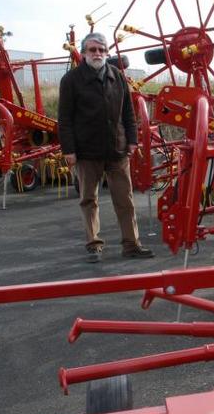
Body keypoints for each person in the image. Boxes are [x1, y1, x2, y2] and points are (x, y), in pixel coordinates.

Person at [58, 32, 154, 262]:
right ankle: (94, 245)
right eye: (93, 50)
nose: (98, 54)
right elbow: (65, 119)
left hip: (117, 149)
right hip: (86, 151)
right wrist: (69, 150)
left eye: (102, 50)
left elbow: (128, 113)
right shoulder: (71, 80)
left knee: (125, 200)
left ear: (107, 52)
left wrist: (132, 141)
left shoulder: (117, 76)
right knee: (88, 199)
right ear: (83, 53)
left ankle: (131, 245)